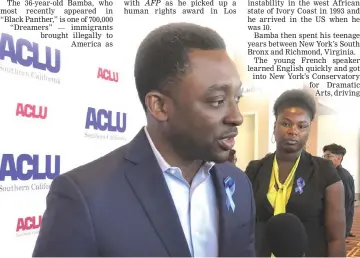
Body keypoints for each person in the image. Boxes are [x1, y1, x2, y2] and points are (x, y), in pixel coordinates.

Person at [32, 23, 255, 257]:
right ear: (159, 106)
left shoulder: (238, 184)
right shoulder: (84, 197)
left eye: (237, 98)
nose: (237, 117)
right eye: (218, 100)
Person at [245, 89, 346, 257]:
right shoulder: (255, 169)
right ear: (275, 125)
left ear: (308, 131)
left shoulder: (324, 171)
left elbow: (336, 238)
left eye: (302, 126)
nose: (293, 131)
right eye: (286, 123)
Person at [323, 144, 355, 238]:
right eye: (324, 156)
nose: (324, 159)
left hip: (337, 224)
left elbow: (345, 203)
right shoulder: (333, 173)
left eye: (328, 156)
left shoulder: (341, 176)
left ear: (339, 158)